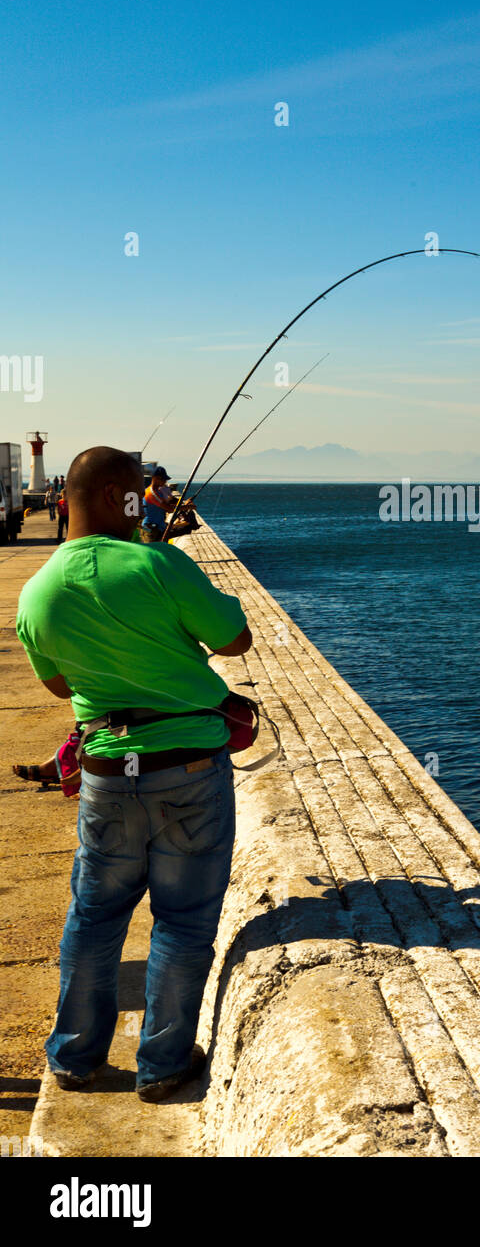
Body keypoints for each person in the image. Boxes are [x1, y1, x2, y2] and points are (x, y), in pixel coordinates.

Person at [16, 446, 252, 1102]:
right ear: (125, 495)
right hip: (189, 772)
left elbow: (61, 684)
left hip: (105, 776)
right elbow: (236, 638)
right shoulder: (158, 563)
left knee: (93, 919)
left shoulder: (36, 593)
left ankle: (74, 1057)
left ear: (65, 501)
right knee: (181, 922)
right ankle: (162, 1063)